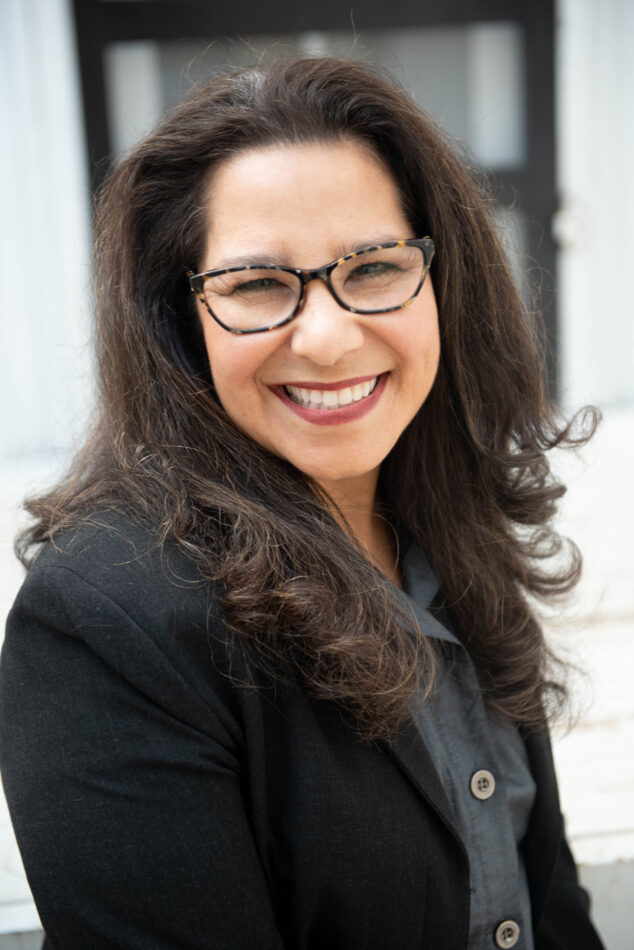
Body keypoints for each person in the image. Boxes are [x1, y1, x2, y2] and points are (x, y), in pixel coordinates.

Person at [0, 56, 604, 950]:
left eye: (375, 266)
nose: (326, 338)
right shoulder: (103, 624)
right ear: (180, 322)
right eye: (255, 285)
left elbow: (546, 897)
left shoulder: (446, 518)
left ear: (443, 282)